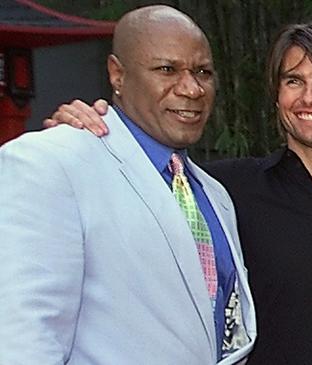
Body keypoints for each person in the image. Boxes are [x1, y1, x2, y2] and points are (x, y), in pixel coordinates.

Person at [42, 20, 312, 364]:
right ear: (276, 94)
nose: (309, 97)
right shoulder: (216, 192)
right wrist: (85, 133)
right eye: (294, 81)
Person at [0, 5, 255, 364]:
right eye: (167, 69)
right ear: (117, 75)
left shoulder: (214, 195)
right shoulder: (51, 164)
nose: (192, 89)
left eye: (203, 72)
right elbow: (22, 339)